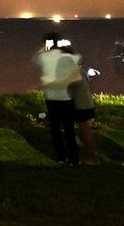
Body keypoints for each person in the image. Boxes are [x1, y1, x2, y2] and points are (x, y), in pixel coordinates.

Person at [36, 33, 79, 163]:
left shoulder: (43, 57)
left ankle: (61, 157)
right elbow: (78, 58)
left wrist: (45, 47)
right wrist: (67, 46)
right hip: (67, 97)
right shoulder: (67, 56)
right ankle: (73, 158)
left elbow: (37, 57)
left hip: (52, 98)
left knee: (55, 129)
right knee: (69, 129)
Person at [61, 37, 100, 165]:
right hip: (86, 103)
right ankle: (91, 156)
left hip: (81, 105)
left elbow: (67, 86)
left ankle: (89, 158)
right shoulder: (79, 68)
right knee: (86, 131)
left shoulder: (73, 71)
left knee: (85, 132)